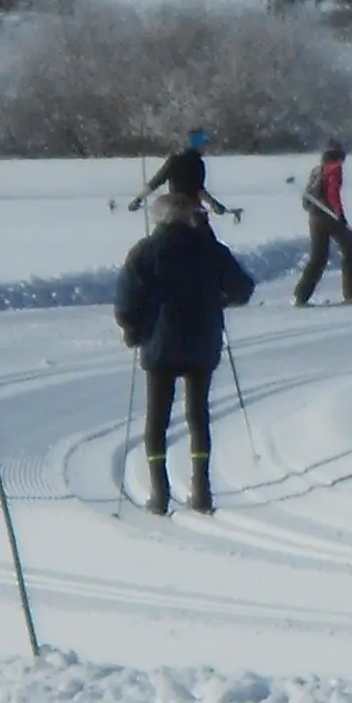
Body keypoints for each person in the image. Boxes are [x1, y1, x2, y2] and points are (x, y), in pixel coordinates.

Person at [114, 192, 257, 515]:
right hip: (202, 341)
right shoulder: (211, 249)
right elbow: (242, 288)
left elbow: (126, 297)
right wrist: (220, 300)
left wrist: (132, 328)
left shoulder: (145, 252)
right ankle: (202, 489)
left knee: (157, 419)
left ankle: (159, 493)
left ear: (158, 217)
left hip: (159, 343)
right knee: (198, 415)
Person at [293, 139, 352, 305]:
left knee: (318, 257)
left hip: (314, 217)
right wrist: (339, 215)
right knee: (351, 251)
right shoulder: (335, 169)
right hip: (329, 217)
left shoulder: (318, 169)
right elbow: (333, 193)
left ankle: (301, 294)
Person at [128, 128, 235, 224]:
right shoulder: (197, 163)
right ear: (198, 144)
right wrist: (214, 204)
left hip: (171, 210)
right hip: (191, 211)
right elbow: (198, 190)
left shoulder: (174, 160)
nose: (206, 147)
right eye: (205, 144)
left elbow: (155, 182)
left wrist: (138, 199)